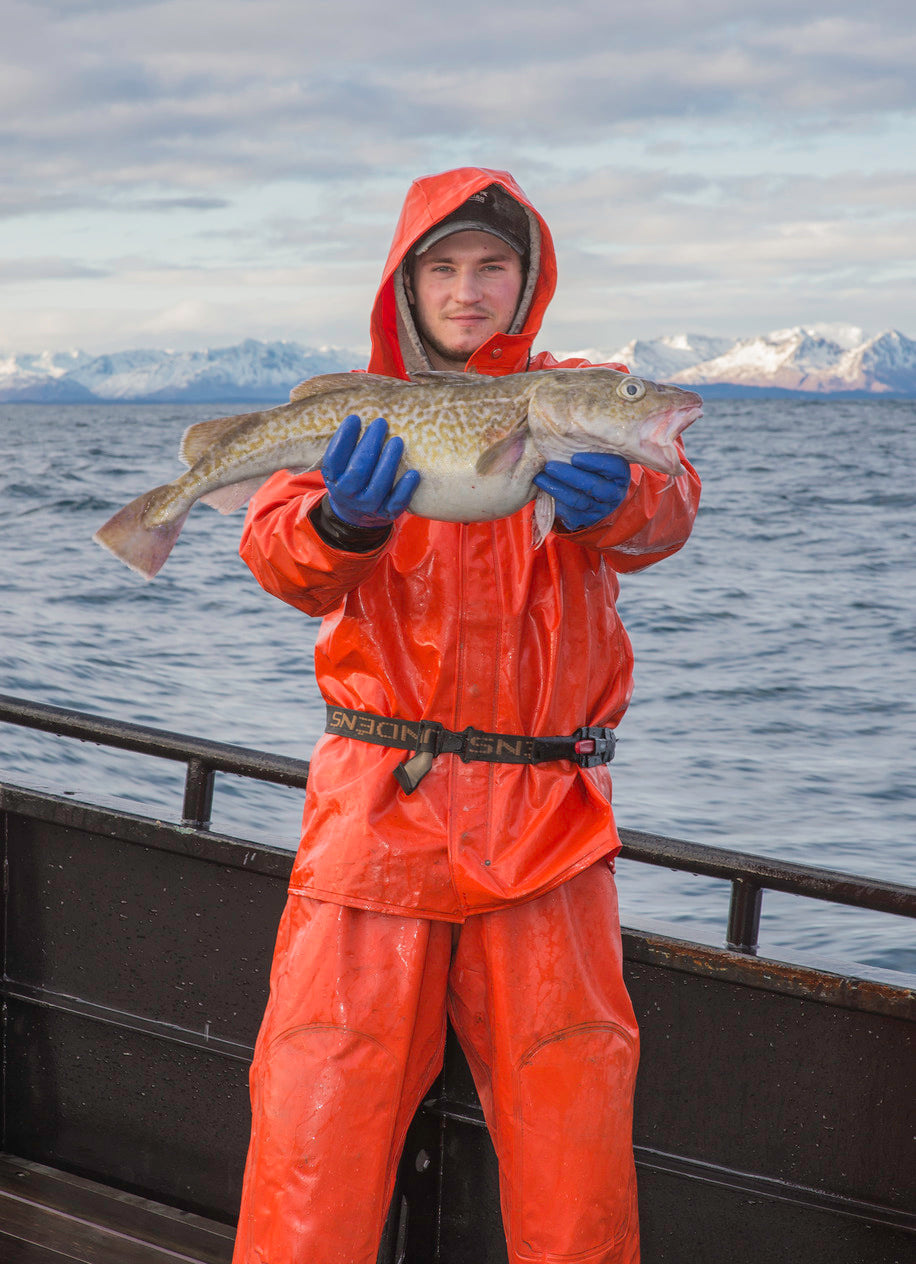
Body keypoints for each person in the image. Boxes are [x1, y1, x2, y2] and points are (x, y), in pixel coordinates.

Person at [232, 167, 701, 1264]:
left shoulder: (581, 397)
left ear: (528, 278)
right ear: (406, 283)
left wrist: (623, 498)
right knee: (317, 1114)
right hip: (373, 807)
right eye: (442, 267)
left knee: (572, 1122)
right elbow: (277, 557)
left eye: (492, 264)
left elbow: (670, 503)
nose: (468, 288)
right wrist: (343, 523)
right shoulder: (359, 407)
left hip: (548, 812)